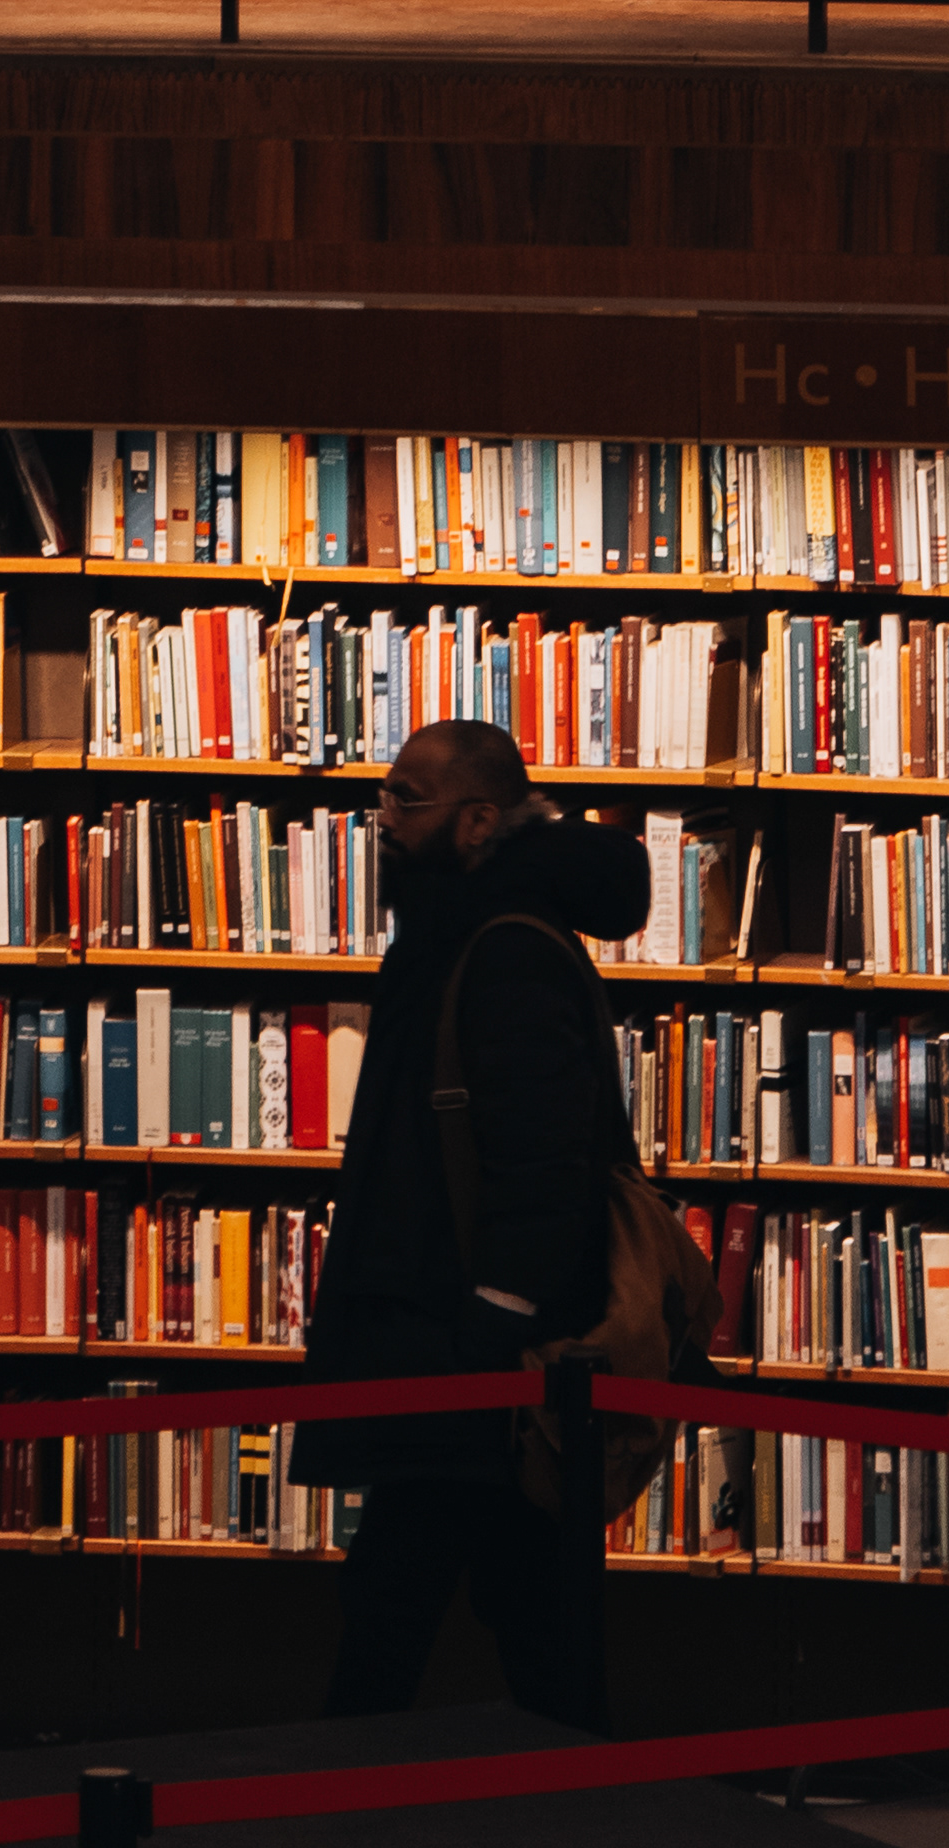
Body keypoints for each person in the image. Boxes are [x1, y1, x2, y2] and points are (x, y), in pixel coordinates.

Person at [295, 721, 650, 1723]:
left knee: (401, 1605)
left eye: (408, 798)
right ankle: (581, 1794)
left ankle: (344, 1806)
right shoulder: (465, 929)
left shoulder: (500, 947)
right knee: (518, 1607)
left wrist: (491, 1323)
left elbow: (546, 1153)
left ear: (478, 819)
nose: (384, 819)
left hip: (479, 1358)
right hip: (469, 1354)